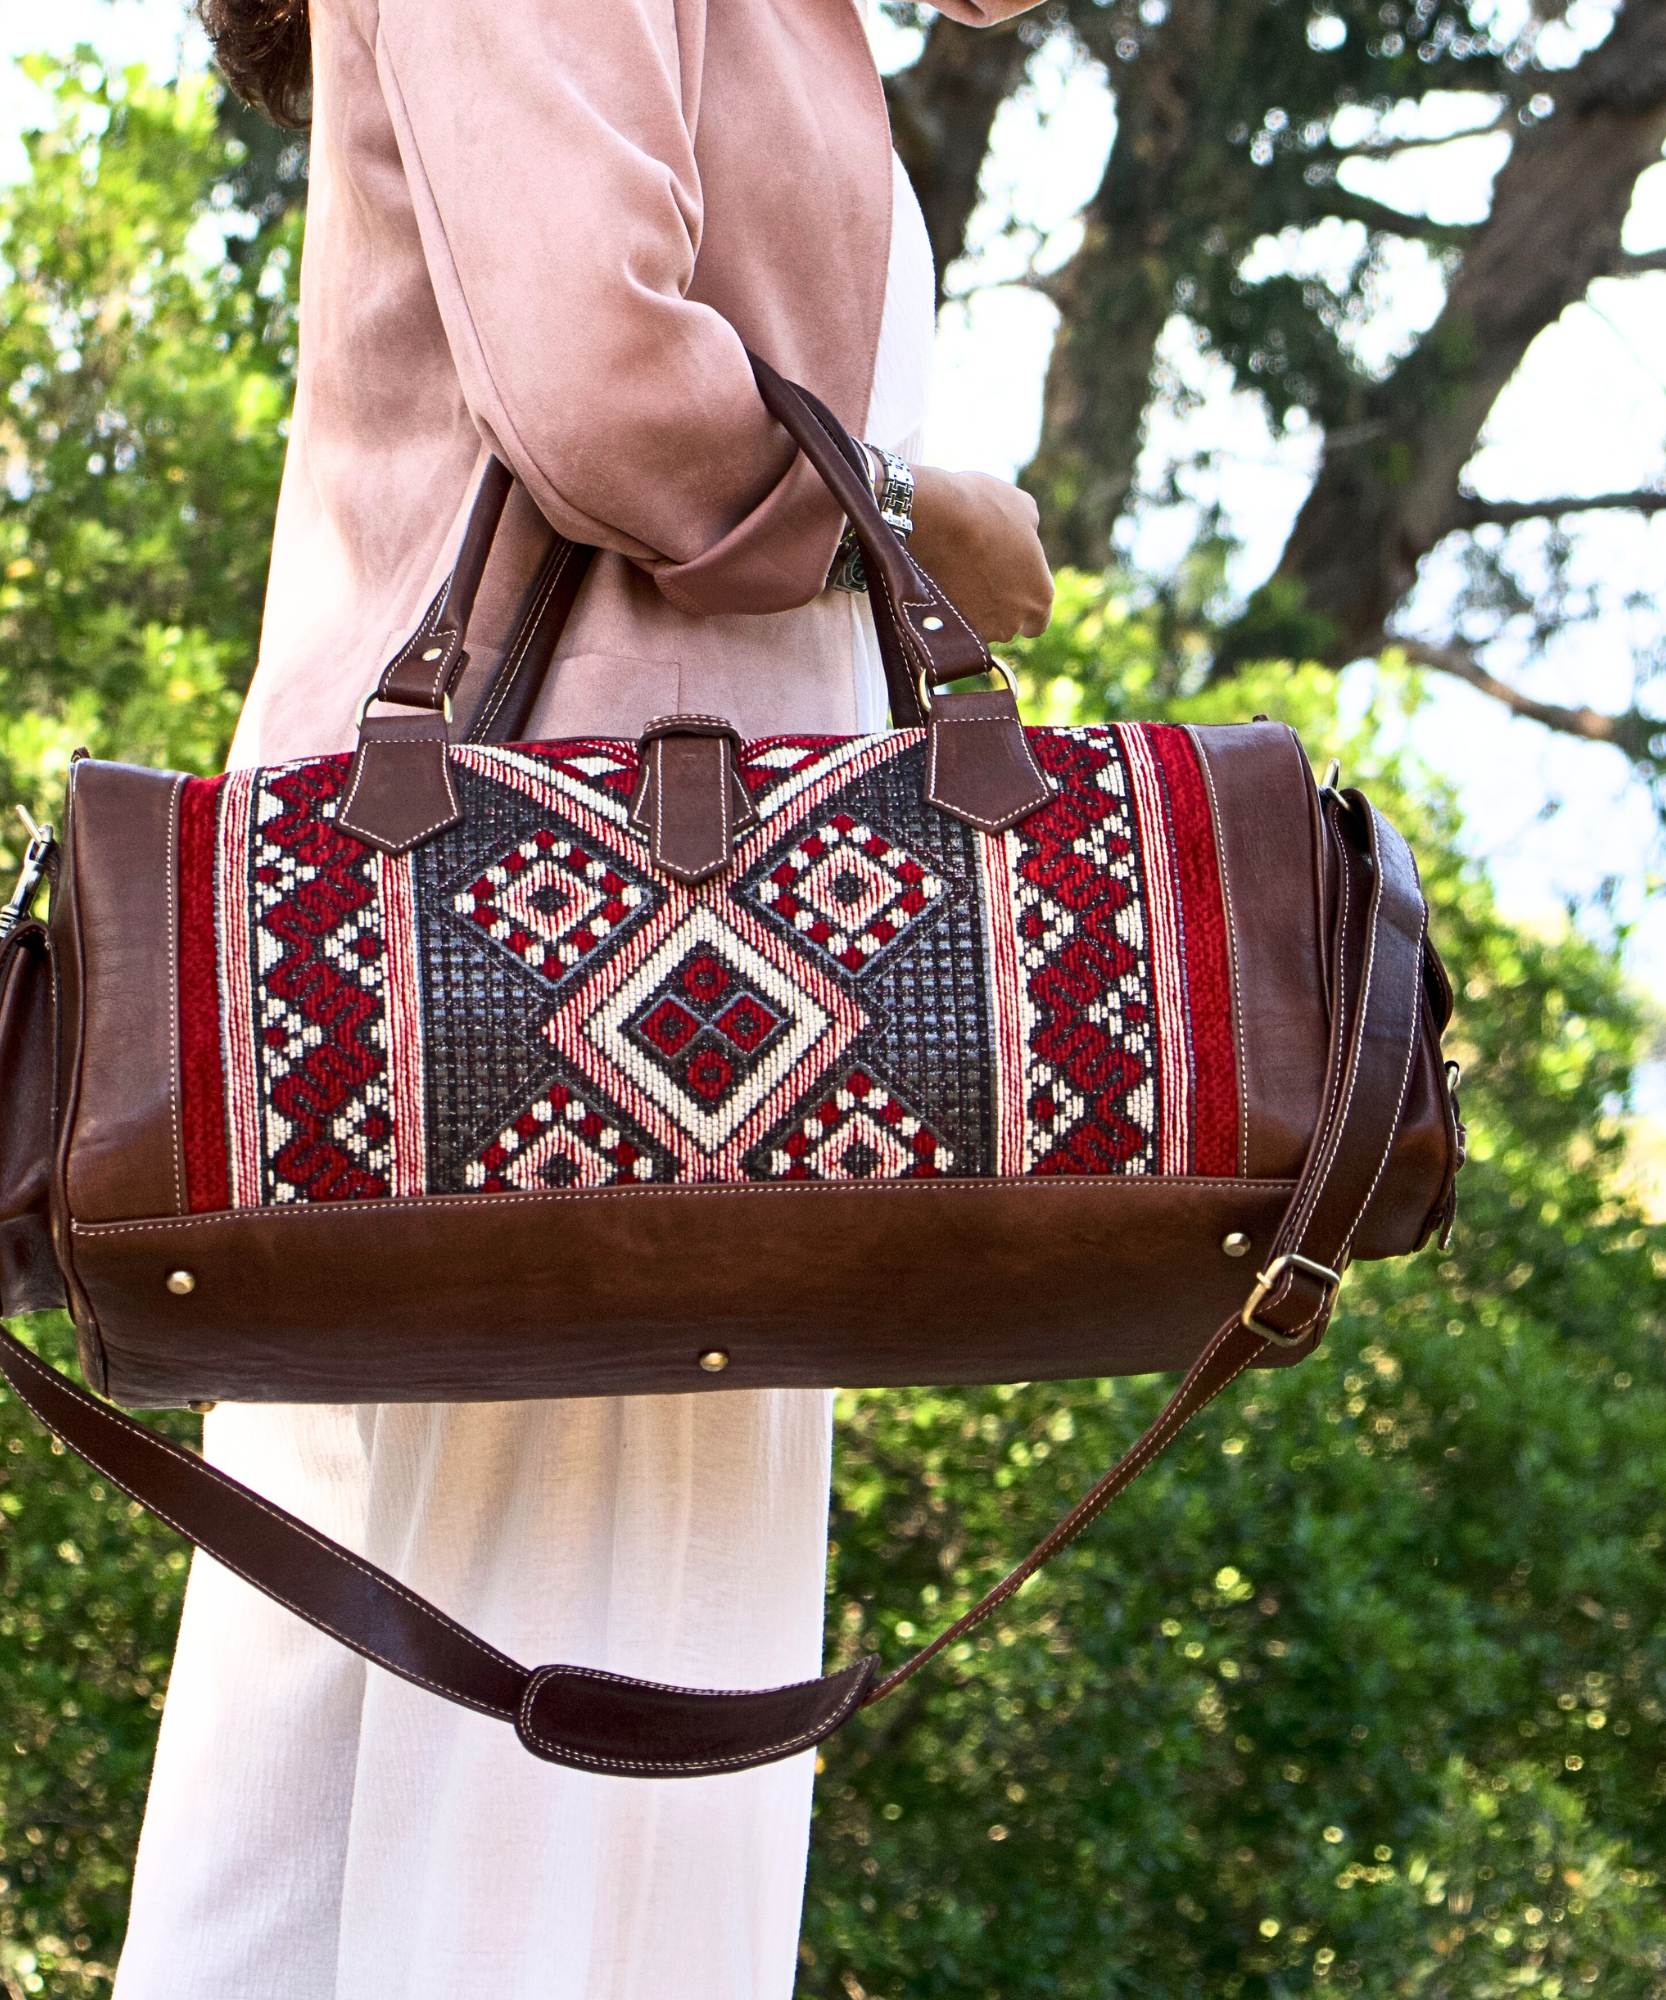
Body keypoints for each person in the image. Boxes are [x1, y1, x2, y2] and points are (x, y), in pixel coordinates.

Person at [111, 2, 1051, 1994]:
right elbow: (596, 384)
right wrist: (917, 525)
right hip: (598, 976)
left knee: (349, 1795)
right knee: (576, 1830)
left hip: (594, 971)